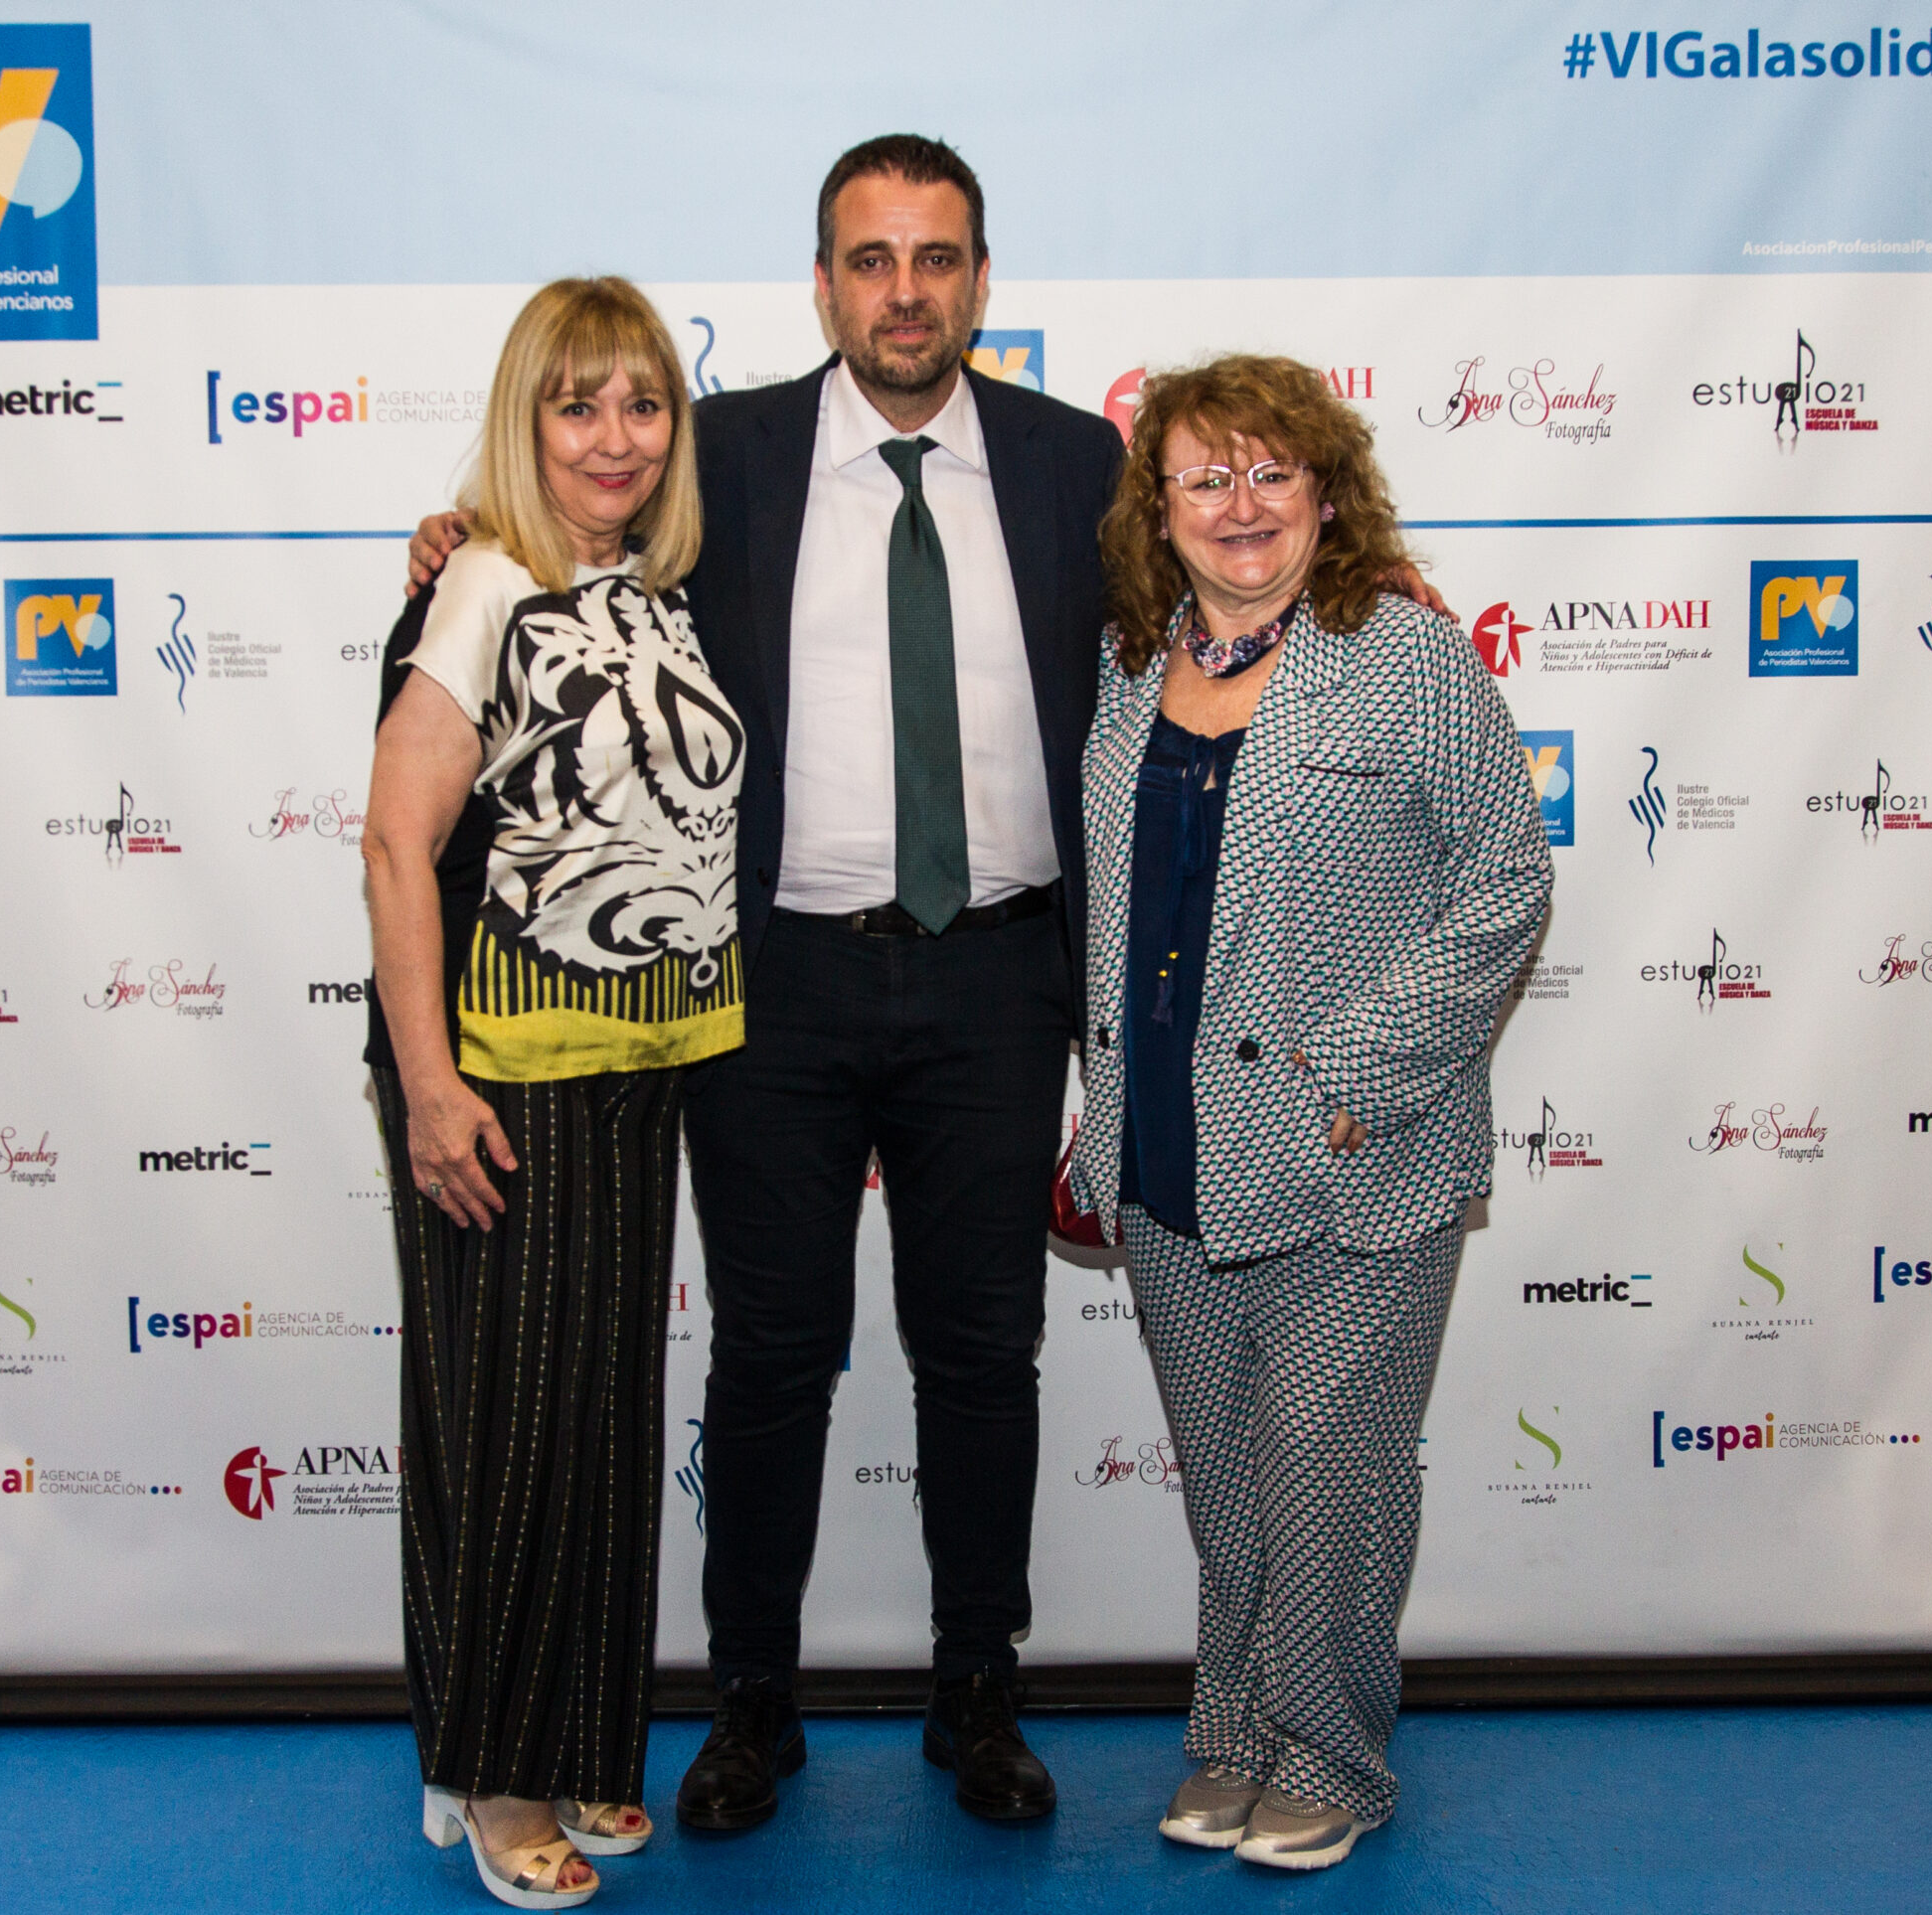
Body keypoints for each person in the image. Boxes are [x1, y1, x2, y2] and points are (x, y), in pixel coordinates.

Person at [405, 136, 1454, 1835]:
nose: (906, 293)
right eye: (872, 260)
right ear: (824, 286)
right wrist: (458, 533)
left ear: (980, 281)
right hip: (773, 986)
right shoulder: (718, 455)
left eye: (937, 258)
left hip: (998, 982)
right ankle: (752, 1700)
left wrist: (1366, 586)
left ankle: (981, 1691)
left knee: (983, 1355)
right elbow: (563, 534)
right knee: (771, 1355)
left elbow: (1229, 575)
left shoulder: (1076, 462)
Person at [1068, 355, 1550, 1871]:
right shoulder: (1130, 665)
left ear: (1327, 496)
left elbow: (1507, 882)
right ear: (1161, 508)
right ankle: (1235, 1734)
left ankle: (1332, 1755)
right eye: (1206, 476)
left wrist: (1367, 1068)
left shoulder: (1406, 658)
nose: (1241, 504)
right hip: (1164, 1144)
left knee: (1329, 1467)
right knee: (1226, 1476)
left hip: (1354, 1150)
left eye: (1273, 472)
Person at [362, 275, 744, 1908]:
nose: (613, 436)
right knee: (507, 1432)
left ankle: (577, 1743)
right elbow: (397, 842)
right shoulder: (488, 582)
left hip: (630, 1067)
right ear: (525, 421)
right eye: (576, 404)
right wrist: (429, 1088)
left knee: (596, 1420)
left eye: (643, 403)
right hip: (496, 1078)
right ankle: (492, 1772)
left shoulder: (651, 590)